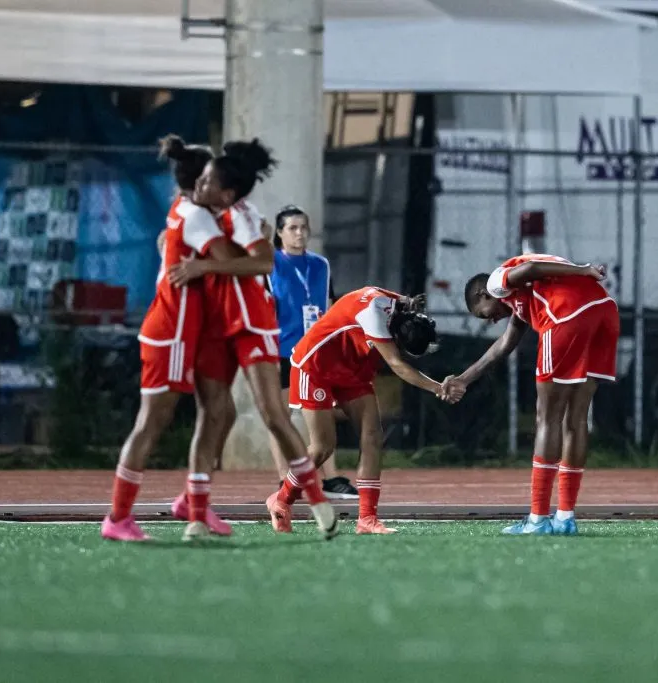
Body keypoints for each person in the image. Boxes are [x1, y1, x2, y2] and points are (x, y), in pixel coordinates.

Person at [168, 139, 339, 541]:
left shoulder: (240, 217)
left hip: (252, 324)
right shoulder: (196, 211)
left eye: (208, 177)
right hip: (215, 323)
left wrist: (204, 264)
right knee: (215, 415)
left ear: (227, 191)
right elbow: (175, 238)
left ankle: (312, 500)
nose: (200, 183)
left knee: (273, 415)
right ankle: (193, 507)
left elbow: (260, 257)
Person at [101, 135, 249, 542]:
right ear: (199, 180)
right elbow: (231, 262)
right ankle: (117, 517)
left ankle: (192, 501)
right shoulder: (197, 218)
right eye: (210, 176)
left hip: (191, 333)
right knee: (151, 424)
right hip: (171, 332)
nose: (214, 183)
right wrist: (256, 246)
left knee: (221, 411)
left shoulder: (186, 209)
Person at [443, 254, 617, 536]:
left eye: (484, 314)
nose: (491, 321)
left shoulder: (497, 282)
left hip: (565, 314)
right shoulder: (522, 300)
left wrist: (583, 269)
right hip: (603, 310)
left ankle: (537, 519)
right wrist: (464, 379)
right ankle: (565, 518)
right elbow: (503, 346)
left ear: (482, 293)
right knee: (576, 419)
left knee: (547, 418)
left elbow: (531, 268)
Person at [266, 286, 462, 534]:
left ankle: (367, 519)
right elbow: (396, 365)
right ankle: (281, 500)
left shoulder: (395, 303)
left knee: (372, 438)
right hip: (315, 367)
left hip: (352, 369)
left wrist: (409, 300)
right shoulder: (373, 315)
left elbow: (393, 296)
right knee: (322, 447)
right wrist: (438, 388)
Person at [268, 205, 357, 500]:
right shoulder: (270, 264)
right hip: (281, 349)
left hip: (315, 350)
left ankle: (330, 479)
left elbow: (330, 305)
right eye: (292, 228)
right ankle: (285, 478)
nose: (299, 233)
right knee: (282, 416)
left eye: (303, 227)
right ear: (279, 233)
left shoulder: (320, 265)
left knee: (320, 412)